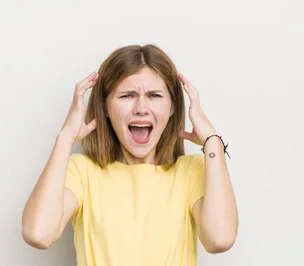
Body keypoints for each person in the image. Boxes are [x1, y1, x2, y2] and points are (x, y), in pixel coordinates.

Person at [22, 44, 238, 266]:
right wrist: (66, 137)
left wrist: (213, 142)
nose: (141, 108)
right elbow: (38, 233)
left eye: (154, 95)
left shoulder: (192, 171)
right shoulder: (82, 172)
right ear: (105, 107)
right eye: (127, 95)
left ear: (172, 106)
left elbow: (219, 239)